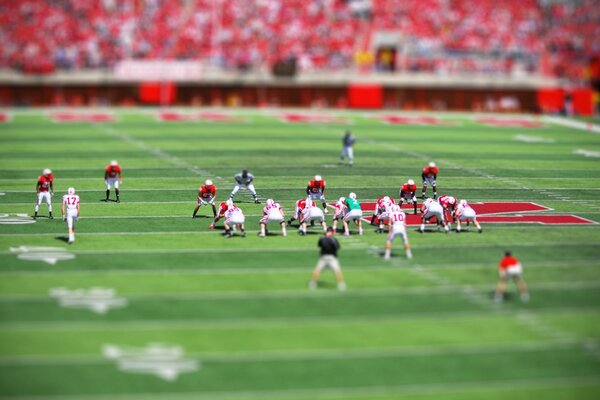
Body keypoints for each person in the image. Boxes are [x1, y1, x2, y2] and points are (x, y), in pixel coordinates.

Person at [309, 227, 346, 291]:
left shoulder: (322, 238)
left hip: (323, 257)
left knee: (317, 270)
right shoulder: (333, 239)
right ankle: (341, 284)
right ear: (332, 232)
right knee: (337, 271)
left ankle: (312, 283)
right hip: (332, 258)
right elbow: (337, 247)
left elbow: (319, 245)